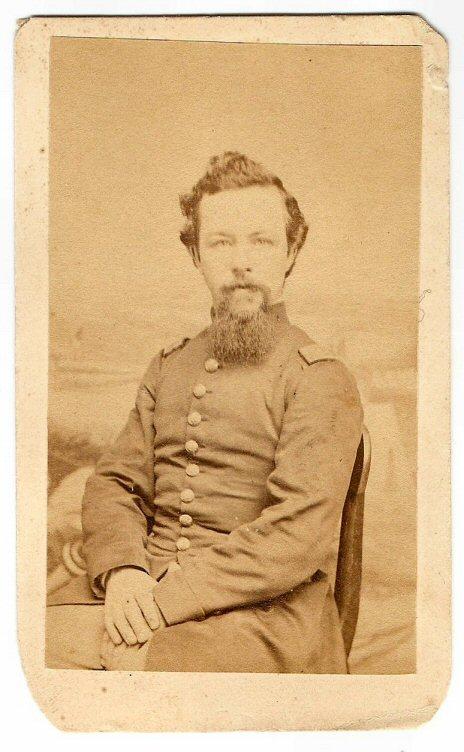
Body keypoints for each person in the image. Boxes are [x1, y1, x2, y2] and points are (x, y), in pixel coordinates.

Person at [46, 151, 363, 672]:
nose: (241, 260)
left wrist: (162, 600)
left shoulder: (320, 378)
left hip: (264, 617)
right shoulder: (170, 366)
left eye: (261, 240)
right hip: (141, 587)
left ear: (291, 250)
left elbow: (295, 536)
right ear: (196, 256)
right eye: (221, 242)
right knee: (29, 645)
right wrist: (125, 570)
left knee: (121, 663)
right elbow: (113, 483)